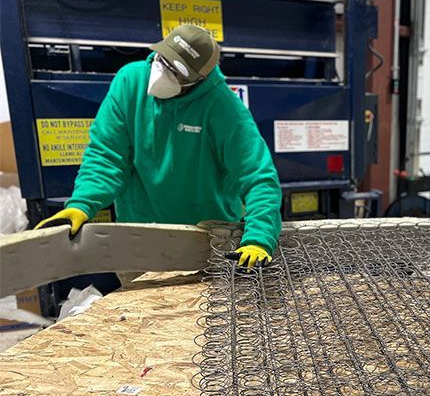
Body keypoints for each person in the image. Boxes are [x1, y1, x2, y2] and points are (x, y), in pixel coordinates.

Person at [35, 25, 281, 270]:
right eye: (164, 59)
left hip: (206, 242)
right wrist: (82, 204)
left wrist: (258, 239)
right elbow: (106, 156)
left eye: (179, 71)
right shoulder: (130, 82)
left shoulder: (223, 108)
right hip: (139, 237)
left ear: (200, 78)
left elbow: (258, 178)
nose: (164, 72)